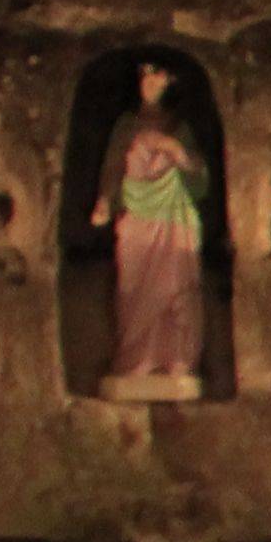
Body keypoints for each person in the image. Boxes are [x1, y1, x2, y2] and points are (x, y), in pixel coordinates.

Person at [91, 59, 213, 398]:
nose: (148, 82)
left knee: (177, 285)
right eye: (143, 76)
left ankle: (177, 358)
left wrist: (175, 150)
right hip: (137, 214)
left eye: (156, 77)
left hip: (173, 215)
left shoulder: (179, 128)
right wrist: (104, 201)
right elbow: (114, 166)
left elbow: (200, 180)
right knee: (135, 287)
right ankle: (137, 358)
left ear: (167, 84)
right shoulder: (126, 126)